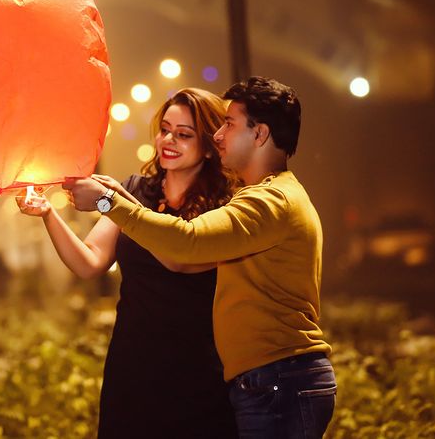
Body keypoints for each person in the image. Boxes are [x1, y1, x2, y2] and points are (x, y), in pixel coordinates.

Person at [64, 76, 336, 439]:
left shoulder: (269, 202)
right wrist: (121, 200)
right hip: (267, 378)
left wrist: (108, 202)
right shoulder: (264, 197)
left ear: (260, 135)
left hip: (276, 378)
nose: (219, 135)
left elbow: (186, 244)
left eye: (229, 124)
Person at [18, 88, 237, 438]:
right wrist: (48, 213)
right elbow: (90, 262)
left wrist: (112, 201)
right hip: (134, 361)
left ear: (210, 146)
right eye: (165, 129)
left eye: (183, 135)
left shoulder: (223, 205)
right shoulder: (137, 190)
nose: (168, 140)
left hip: (198, 367)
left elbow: (179, 258)